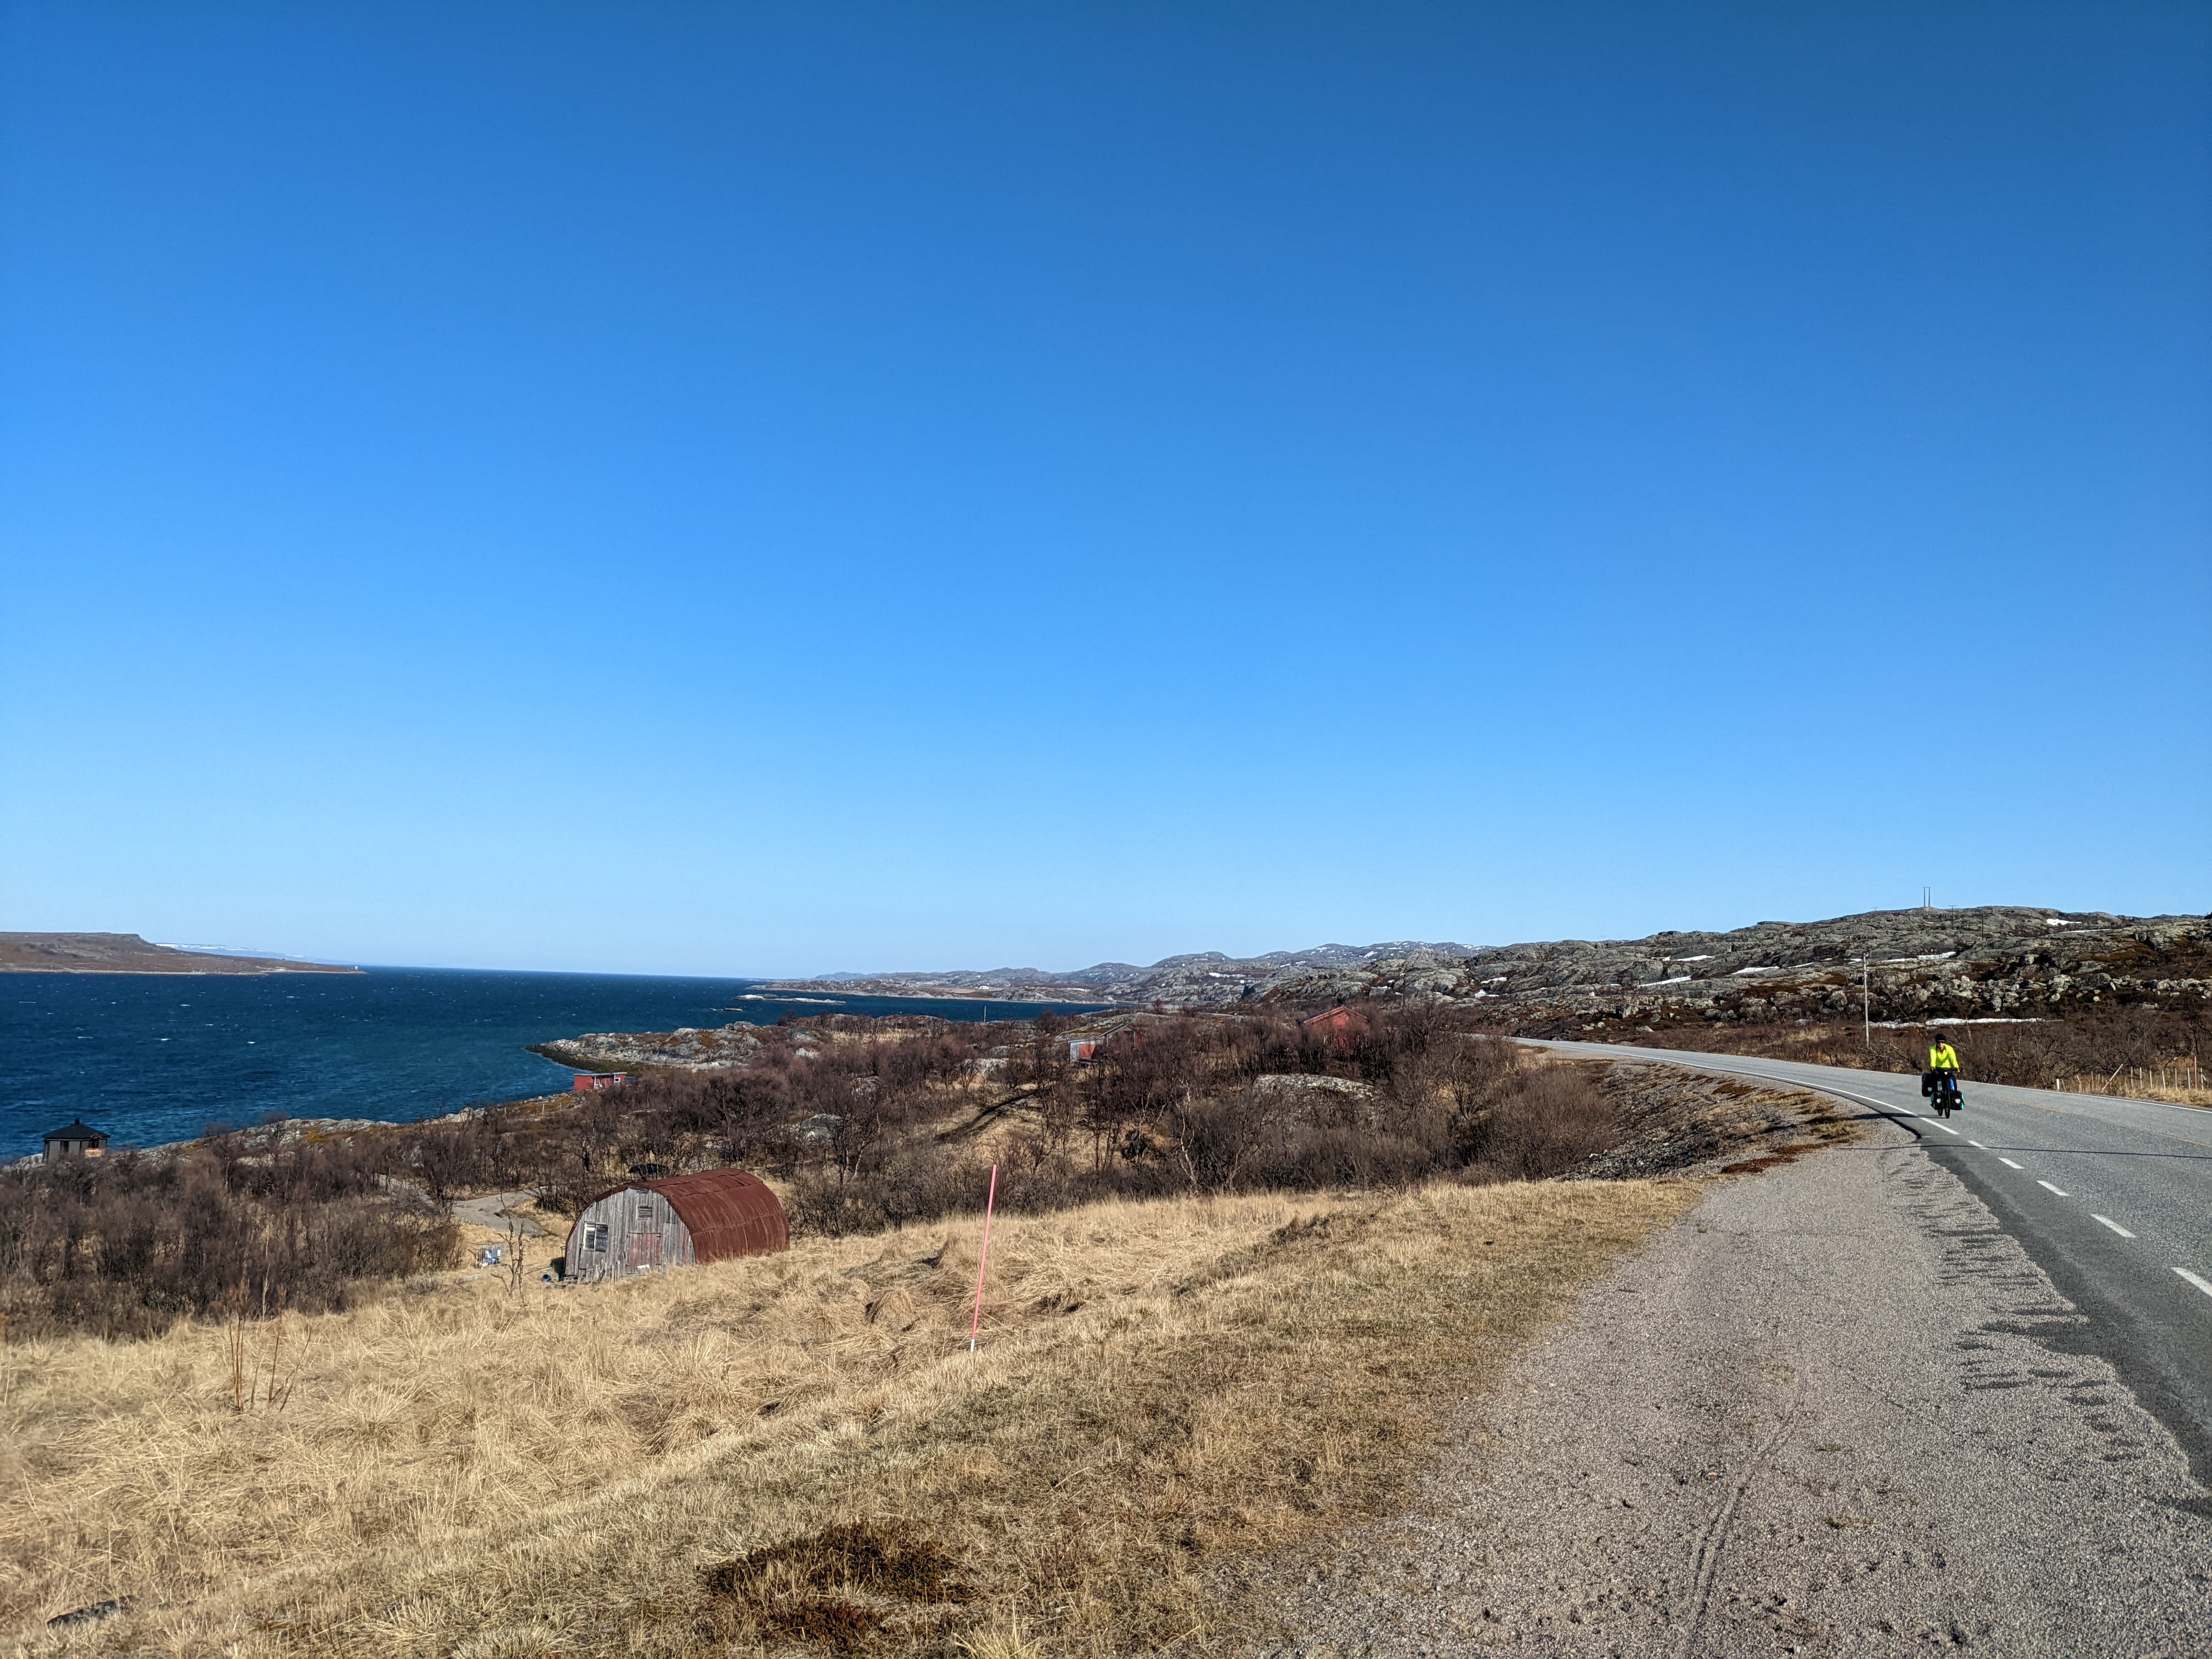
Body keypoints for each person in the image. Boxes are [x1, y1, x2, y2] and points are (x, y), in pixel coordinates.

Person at [1927, 1034, 1962, 1109]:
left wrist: (1957, 1067)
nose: (1940, 1044)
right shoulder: (1933, 1049)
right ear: (1937, 1042)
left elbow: (1953, 1058)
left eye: (1942, 1042)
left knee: (1952, 1080)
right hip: (1938, 1068)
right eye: (1939, 1042)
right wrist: (1933, 1066)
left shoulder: (1949, 1049)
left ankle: (1953, 1095)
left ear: (1944, 1042)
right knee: (1936, 1080)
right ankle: (1936, 1096)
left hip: (1948, 1068)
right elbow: (1933, 1057)